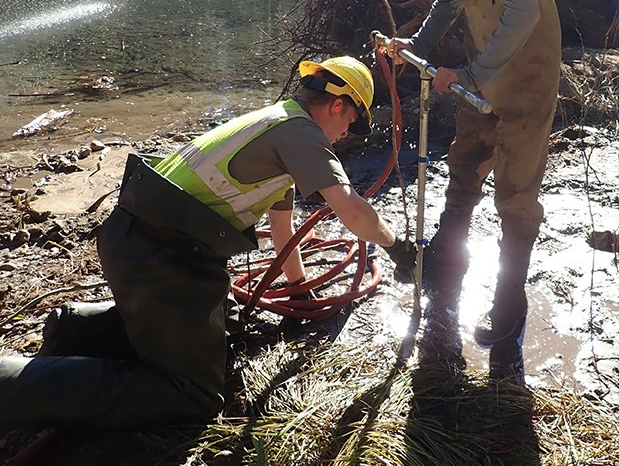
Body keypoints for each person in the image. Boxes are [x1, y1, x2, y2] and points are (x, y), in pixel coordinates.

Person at [0, 57, 415, 428]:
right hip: (162, 257)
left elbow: (284, 235)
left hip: (145, 242)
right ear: (339, 104)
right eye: (353, 122)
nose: (346, 134)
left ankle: (77, 327)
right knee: (191, 392)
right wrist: (398, 247)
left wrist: (297, 294)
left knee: (227, 318)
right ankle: (11, 383)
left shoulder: (276, 122)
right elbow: (354, 211)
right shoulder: (302, 135)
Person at [357, 0, 565, 380]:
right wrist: (419, 44)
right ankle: (448, 263)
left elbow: (524, 10)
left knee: (516, 194)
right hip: (484, 67)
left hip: (527, 72)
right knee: (464, 163)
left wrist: (472, 74)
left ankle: (508, 308)